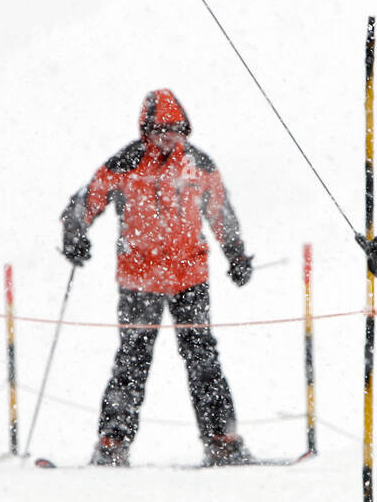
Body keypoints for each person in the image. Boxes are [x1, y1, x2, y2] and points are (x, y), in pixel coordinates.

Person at [60, 89, 255, 467]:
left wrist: (236, 254)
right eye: (163, 130)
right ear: (146, 130)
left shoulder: (199, 164)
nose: (171, 138)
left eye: (178, 130)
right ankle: (112, 443)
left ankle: (222, 440)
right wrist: (75, 234)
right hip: (139, 279)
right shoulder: (126, 162)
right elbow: (87, 200)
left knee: (203, 358)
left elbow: (221, 212)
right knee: (132, 360)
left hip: (189, 277)